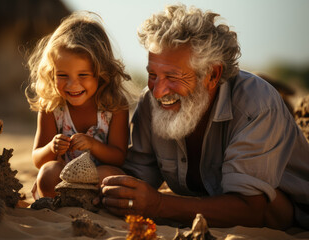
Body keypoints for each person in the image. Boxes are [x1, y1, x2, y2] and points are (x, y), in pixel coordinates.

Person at [99, 4, 309, 230]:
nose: (158, 91)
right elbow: (138, 178)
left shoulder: (256, 105)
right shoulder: (150, 103)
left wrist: (159, 204)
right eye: (152, 75)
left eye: (172, 76)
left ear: (212, 74)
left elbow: (251, 210)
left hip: (288, 216)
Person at [25, 12, 131, 199]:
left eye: (83, 75)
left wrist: (92, 144)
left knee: (114, 176)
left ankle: (90, 200)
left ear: (101, 73)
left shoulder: (115, 107)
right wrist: (52, 147)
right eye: (62, 75)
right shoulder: (52, 107)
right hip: (62, 180)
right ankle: (63, 199)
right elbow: (37, 159)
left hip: (96, 179)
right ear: (52, 73)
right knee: (48, 173)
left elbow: (119, 157)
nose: (72, 85)